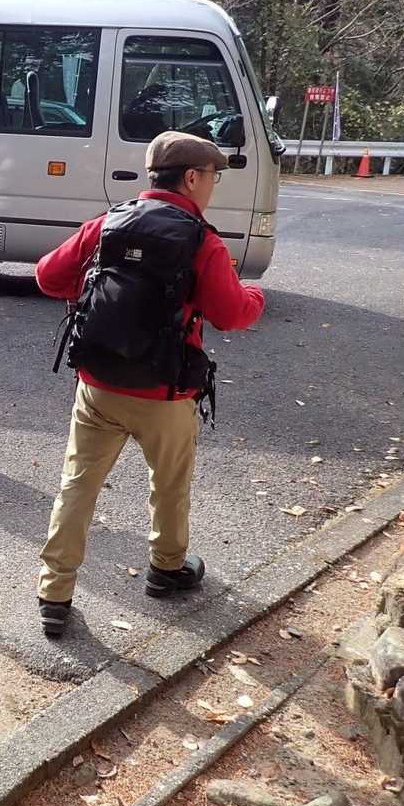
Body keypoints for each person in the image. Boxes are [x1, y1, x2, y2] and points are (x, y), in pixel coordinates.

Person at [34, 131, 266, 637]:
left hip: (98, 383)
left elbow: (48, 276)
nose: (213, 186)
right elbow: (231, 314)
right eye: (212, 177)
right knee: (169, 484)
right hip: (165, 393)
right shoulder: (202, 241)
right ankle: (166, 569)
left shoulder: (109, 223)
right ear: (191, 178)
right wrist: (255, 296)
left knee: (78, 485)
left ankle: (54, 593)